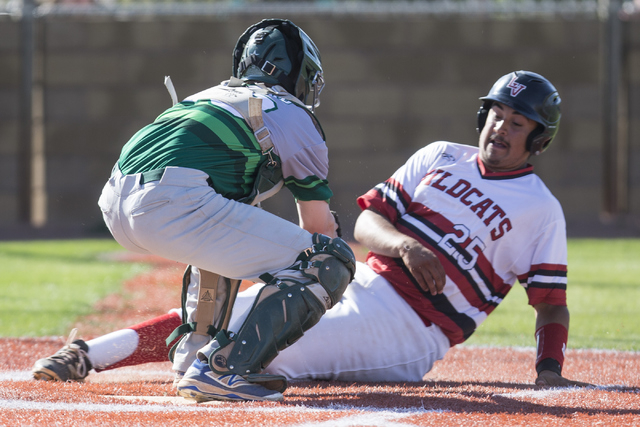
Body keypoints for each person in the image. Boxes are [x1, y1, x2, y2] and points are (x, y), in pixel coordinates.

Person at [33, 70, 589, 392]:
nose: (501, 128)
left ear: (538, 139)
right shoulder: (440, 155)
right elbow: (371, 220)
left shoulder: (542, 209)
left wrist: (549, 371)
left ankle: (213, 375)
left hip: (411, 330)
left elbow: (550, 303)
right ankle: (89, 354)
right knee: (226, 318)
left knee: (259, 349)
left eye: (517, 123)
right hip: (364, 283)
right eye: (496, 115)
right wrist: (405, 244)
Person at [32, 18, 356, 403]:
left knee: (223, 238)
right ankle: (226, 369)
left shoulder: (207, 95)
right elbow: (318, 229)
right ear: (295, 73)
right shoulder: (294, 113)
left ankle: (192, 358)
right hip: (171, 202)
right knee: (329, 260)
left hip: (116, 200)